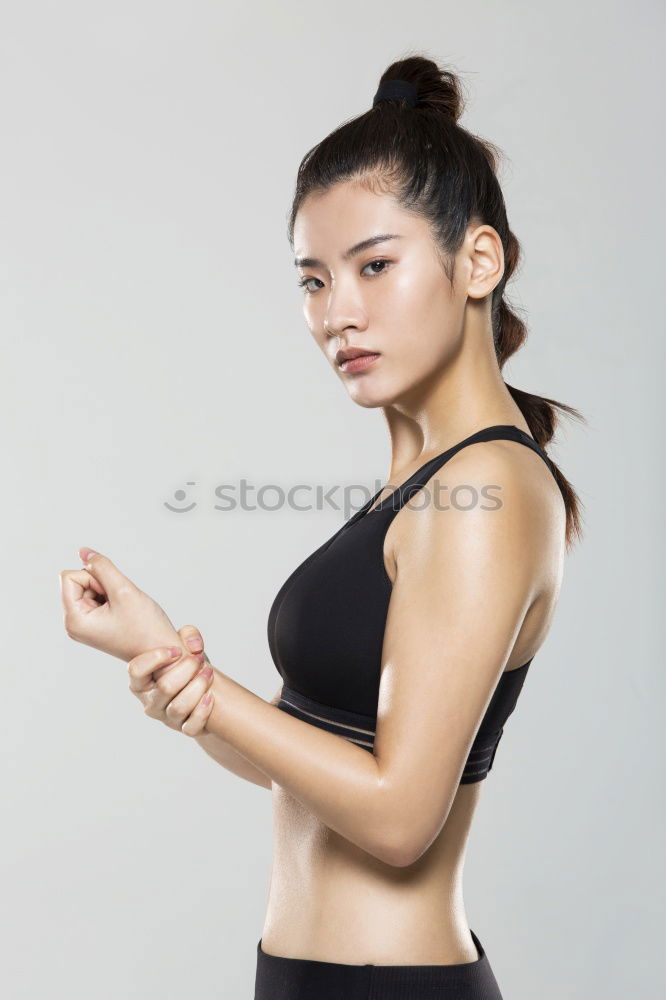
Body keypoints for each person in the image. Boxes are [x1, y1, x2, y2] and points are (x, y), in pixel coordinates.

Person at [60, 53, 585, 1000]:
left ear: (479, 261)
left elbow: (396, 818)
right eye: (312, 281)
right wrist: (168, 666)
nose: (338, 314)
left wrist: (214, 694)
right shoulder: (419, 490)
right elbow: (312, 771)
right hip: (308, 977)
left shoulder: (492, 490)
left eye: (375, 266)